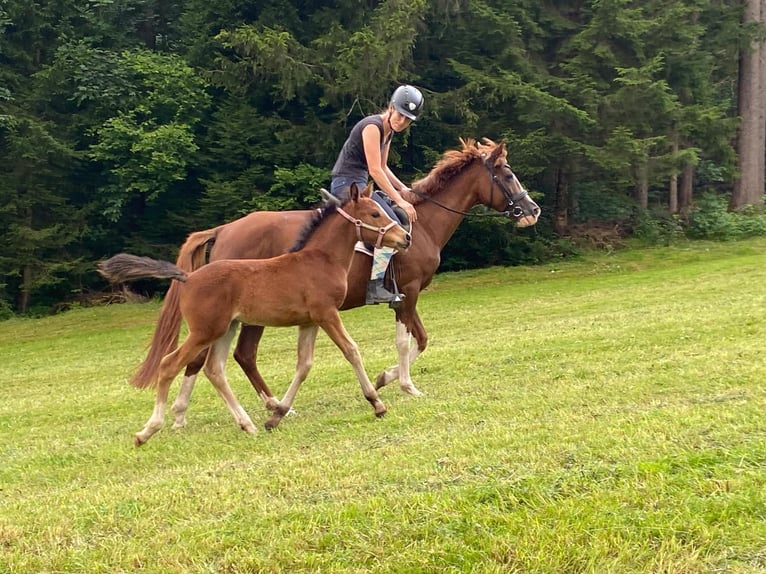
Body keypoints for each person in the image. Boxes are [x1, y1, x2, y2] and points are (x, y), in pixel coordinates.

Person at [330, 84, 424, 306]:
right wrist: (401, 200)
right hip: (346, 184)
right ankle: (375, 286)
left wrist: (403, 188)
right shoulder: (373, 127)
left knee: (397, 219)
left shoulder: (388, 132)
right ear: (391, 107)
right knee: (389, 222)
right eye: (400, 115)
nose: (402, 122)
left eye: (408, 119)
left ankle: (379, 280)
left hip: (361, 185)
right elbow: (375, 170)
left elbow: (383, 166)